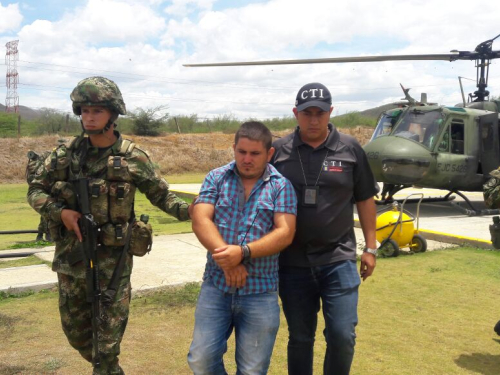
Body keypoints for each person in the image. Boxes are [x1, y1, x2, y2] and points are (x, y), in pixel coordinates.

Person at [27, 76, 191, 374]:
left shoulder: (132, 157)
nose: (89, 117)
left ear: (112, 115)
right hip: (71, 260)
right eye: (85, 111)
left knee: (106, 348)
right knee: (76, 334)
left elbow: (162, 196)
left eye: (97, 111)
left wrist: (194, 212)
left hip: (113, 264)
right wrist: (60, 212)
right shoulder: (65, 156)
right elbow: (35, 190)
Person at [271, 82, 379, 375]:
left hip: (338, 258)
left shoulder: (351, 148)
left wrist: (370, 247)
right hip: (292, 262)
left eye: (320, 112)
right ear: (296, 113)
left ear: (331, 112)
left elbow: (366, 198)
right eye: (307, 113)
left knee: (343, 336)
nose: (314, 119)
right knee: (300, 338)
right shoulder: (279, 151)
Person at [187, 121, 297, 374]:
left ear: (269, 154)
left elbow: (285, 232)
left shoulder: (281, 186)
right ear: (234, 149)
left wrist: (243, 252)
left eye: (255, 153)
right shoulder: (216, 177)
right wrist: (230, 259)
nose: (247, 159)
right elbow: (201, 219)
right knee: (201, 360)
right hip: (216, 286)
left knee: (252, 370)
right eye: (242, 152)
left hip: (260, 292)